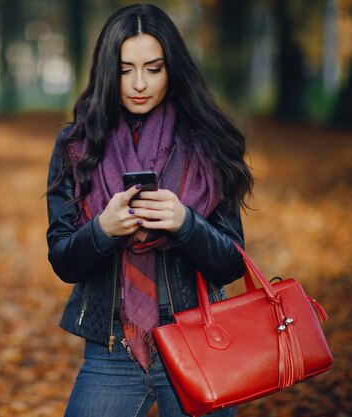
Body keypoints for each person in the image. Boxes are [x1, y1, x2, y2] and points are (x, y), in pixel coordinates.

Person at [46, 4, 254, 417]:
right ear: (108, 71)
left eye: (153, 68)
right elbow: (63, 260)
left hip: (199, 338)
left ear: (172, 69)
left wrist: (185, 223)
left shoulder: (206, 141)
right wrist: (102, 230)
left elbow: (233, 262)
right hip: (112, 349)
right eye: (125, 70)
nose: (139, 83)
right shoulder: (76, 145)